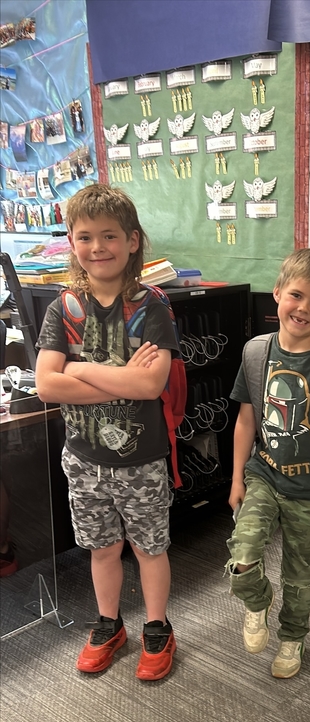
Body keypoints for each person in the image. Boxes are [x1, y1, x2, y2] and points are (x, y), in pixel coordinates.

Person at [35, 183, 180, 681]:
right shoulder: (63, 308)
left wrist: (78, 371)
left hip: (140, 460)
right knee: (101, 548)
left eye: (110, 236)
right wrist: (113, 380)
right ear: (72, 243)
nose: (98, 248)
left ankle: (157, 627)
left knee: (149, 548)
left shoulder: (151, 305)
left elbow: (150, 383)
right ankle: (109, 623)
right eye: (85, 237)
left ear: (133, 240)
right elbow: (46, 385)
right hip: (83, 458)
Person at [226, 249, 310, 678]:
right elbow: (247, 419)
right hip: (264, 476)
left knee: (300, 572)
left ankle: (292, 638)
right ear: (277, 294)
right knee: (243, 558)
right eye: (296, 296)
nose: (304, 308)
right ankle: (257, 601)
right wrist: (235, 478)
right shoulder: (255, 354)